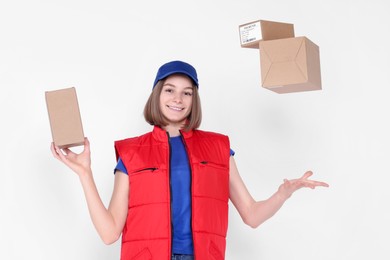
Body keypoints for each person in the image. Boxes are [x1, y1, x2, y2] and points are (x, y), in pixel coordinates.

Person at [51, 60, 329, 260]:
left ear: (194, 99)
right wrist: (84, 174)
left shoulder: (219, 148)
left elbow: (252, 215)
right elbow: (110, 232)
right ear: (157, 95)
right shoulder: (132, 152)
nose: (178, 98)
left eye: (187, 92)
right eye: (170, 90)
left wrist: (282, 194)